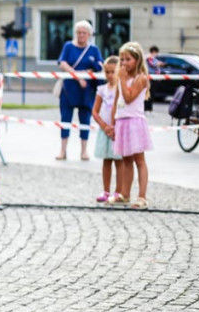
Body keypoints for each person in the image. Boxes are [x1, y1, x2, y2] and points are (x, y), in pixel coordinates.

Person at [111, 42, 152, 209]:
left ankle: (142, 196)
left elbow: (129, 98)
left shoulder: (140, 78)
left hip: (134, 121)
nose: (124, 63)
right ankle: (125, 194)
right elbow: (118, 99)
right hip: (122, 120)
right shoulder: (122, 77)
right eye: (121, 59)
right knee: (125, 159)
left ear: (137, 60)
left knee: (139, 159)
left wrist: (121, 78)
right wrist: (113, 119)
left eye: (127, 59)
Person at [56, 20, 104, 161]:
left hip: (86, 91)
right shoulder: (68, 46)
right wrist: (78, 76)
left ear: (89, 34)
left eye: (84, 33)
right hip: (69, 88)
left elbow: (99, 65)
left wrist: (90, 70)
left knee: (85, 120)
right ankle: (63, 150)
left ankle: (84, 151)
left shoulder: (94, 49)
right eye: (79, 32)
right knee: (65, 119)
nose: (81, 35)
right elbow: (63, 63)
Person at [91, 56, 123, 203]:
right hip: (106, 130)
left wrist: (116, 127)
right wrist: (104, 126)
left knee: (119, 162)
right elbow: (95, 111)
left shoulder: (122, 89)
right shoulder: (102, 89)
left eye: (113, 72)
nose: (110, 75)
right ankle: (106, 190)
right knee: (107, 161)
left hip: (118, 131)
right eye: (107, 72)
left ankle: (119, 191)